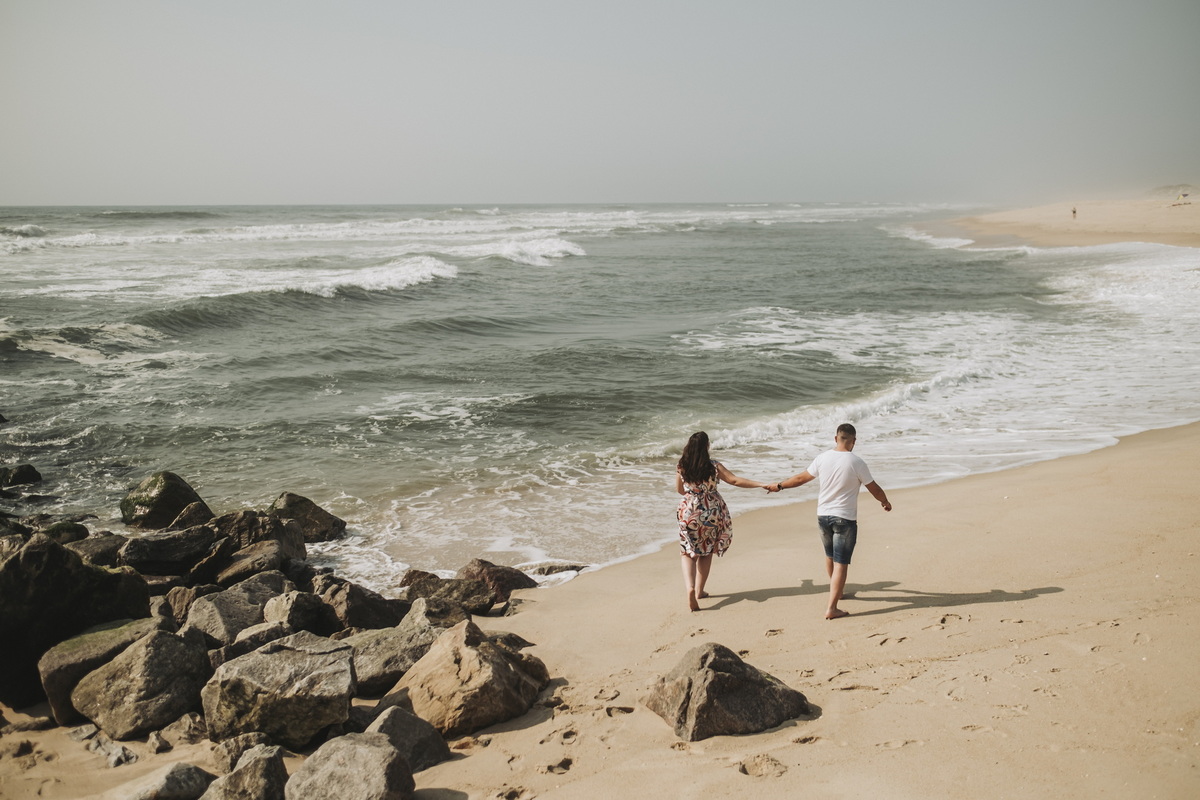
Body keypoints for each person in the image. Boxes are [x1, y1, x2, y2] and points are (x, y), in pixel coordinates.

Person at [766, 423, 892, 620]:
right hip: (844, 518)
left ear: (836, 438)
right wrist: (884, 501)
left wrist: (779, 486)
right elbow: (873, 488)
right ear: (854, 441)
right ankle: (832, 607)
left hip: (823, 516)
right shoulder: (857, 462)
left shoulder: (822, 458)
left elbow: (800, 478)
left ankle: (838, 592)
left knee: (830, 556)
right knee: (841, 562)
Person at [676, 431, 768, 611]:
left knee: (687, 552)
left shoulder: (682, 466)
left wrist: (693, 493)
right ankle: (699, 591)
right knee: (706, 551)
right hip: (711, 511)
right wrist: (760, 484)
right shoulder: (714, 466)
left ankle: (690, 588)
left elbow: (680, 490)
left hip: (688, 511)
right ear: (707, 446)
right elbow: (734, 480)